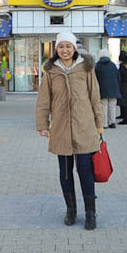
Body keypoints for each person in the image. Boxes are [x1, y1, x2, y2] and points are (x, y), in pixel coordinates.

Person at [36, 30, 105, 230]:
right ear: (56, 49)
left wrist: (99, 123)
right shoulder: (50, 71)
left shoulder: (86, 68)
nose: (65, 50)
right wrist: (42, 124)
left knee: (85, 171)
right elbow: (43, 100)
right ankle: (71, 209)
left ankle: (90, 213)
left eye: (68, 46)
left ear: (74, 48)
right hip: (60, 129)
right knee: (65, 173)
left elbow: (95, 96)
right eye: (61, 46)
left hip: (84, 127)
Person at [94, 49, 121, 130]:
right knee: (112, 106)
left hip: (102, 89)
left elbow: (95, 79)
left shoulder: (98, 66)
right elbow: (118, 77)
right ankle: (112, 122)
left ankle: (104, 124)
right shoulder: (113, 65)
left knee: (103, 107)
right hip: (113, 89)